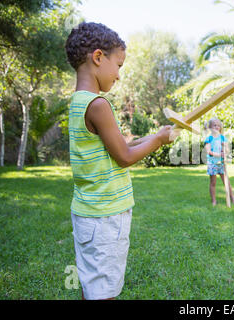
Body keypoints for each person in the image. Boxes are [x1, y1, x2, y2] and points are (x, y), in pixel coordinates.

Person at [65, 22, 173, 300]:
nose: (119, 76)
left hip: (88, 213)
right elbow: (124, 157)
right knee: (105, 292)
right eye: (119, 66)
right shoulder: (98, 105)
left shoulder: (79, 101)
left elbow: (118, 146)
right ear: (98, 57)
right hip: (105, 217)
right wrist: (159, 141)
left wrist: (151, 136)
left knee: (93, 285)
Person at [204, 118, 234, 206]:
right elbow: (209, 151)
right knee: (213, 182)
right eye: (214, 125)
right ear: (210, 127)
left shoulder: (222, 138)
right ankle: (214, 200)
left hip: (222, 163)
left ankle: (232, 198)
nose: (217, 127)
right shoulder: (209, 138)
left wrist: (225, 150)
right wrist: (219, 154)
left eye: (218, 125)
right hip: (212, 163)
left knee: (226, 181)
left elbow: (227, 149)